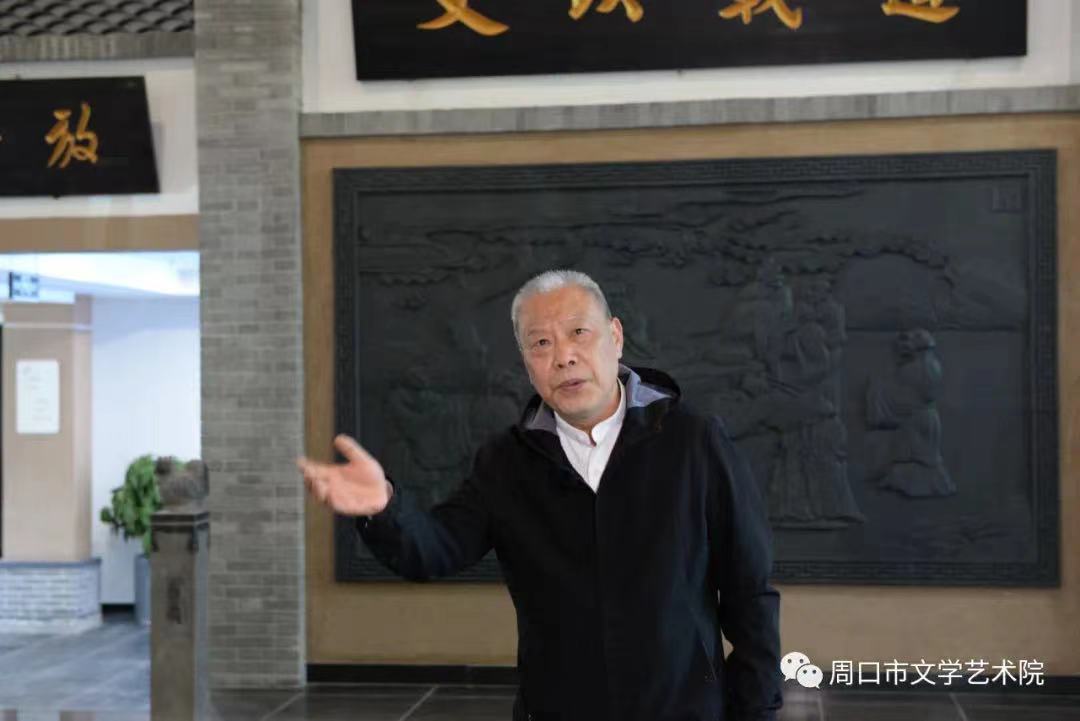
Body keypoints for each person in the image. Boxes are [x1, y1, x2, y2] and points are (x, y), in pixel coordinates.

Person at [298, 269, 783, 721]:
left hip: (684, 707)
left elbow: (750, 589)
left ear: (615, 336)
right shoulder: (506, 462)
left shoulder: (692, 440)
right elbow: (434, 549)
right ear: (526, 362)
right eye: (541, 343)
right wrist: (384, 507)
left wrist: (756, 708)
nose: (563, 356)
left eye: (579, 333)